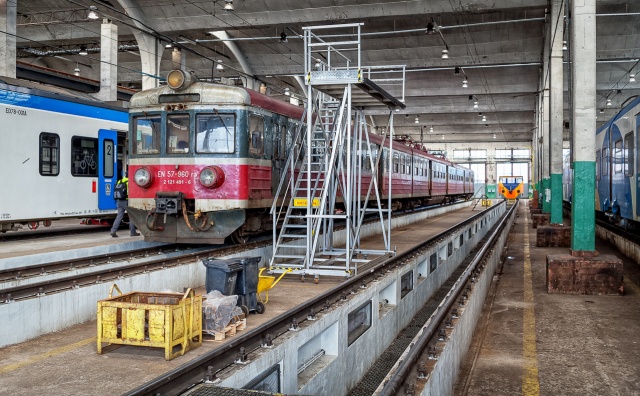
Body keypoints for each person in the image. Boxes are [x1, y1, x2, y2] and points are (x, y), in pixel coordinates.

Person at [110, 171, 140, 237]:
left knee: (119, 216)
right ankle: (133, 232)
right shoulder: (130, 182)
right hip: (127, 201)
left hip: (119, 201)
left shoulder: (120, 181)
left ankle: (113, 231)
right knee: (131, 216)